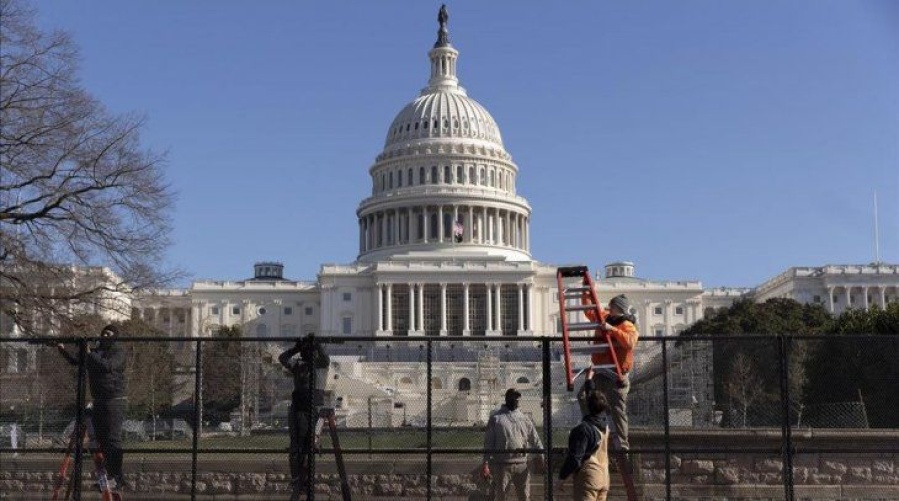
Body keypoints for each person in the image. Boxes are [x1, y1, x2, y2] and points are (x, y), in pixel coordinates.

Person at [57, 324, 126, 488]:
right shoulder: (95, 353)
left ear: (115, 337)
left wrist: (89, 353)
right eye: (103, 333)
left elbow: (108, 366)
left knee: (113, 439)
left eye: (109, 334)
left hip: (114, 400)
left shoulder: (118, 353)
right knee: (101, 439)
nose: (105, 336)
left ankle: (117, 477)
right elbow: (77, 361)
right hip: (99, 401)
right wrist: (62, 350)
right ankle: (109, 476)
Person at [279, 334, 330, 501]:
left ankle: (307, 480)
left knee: (311, 444)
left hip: (314, 408)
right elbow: (282, 358)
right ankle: (297, 479)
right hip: (298, 408)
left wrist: (317, 345)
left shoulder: (320, 366)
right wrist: (297, 348)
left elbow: (325, 358)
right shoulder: (298, 365)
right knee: (296, 445)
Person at [586, 294, 639, 452]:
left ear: (618, 308)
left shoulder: (627, 324)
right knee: (586, 398)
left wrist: (612, 330)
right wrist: (587, 292)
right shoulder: (605, 317)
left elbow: (630, 342)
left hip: (616, 375)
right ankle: (599, 435)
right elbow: (590, 311)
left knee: (617, 410)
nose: (608, 308)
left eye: (611, 306)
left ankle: (622, 445)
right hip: (601, 371)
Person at [481, 388, 544, 501]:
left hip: (522, 464)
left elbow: (535, 439)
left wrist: (541, 457)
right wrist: (485, 463)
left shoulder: (525, 418)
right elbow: (488, 442)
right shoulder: (496, 418)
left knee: (524, 497)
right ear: (507, 399)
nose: (516, 400)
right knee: (501, 497)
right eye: (514, 397)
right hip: (502, 464)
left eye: (517, 398)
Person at [560, 390, 611, 501]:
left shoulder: (583, 429)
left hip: (589, 476)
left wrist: (562, 477)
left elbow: (575, 457)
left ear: (588, 406)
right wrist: (589, 382)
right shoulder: (605, 426)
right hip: (604, 476)